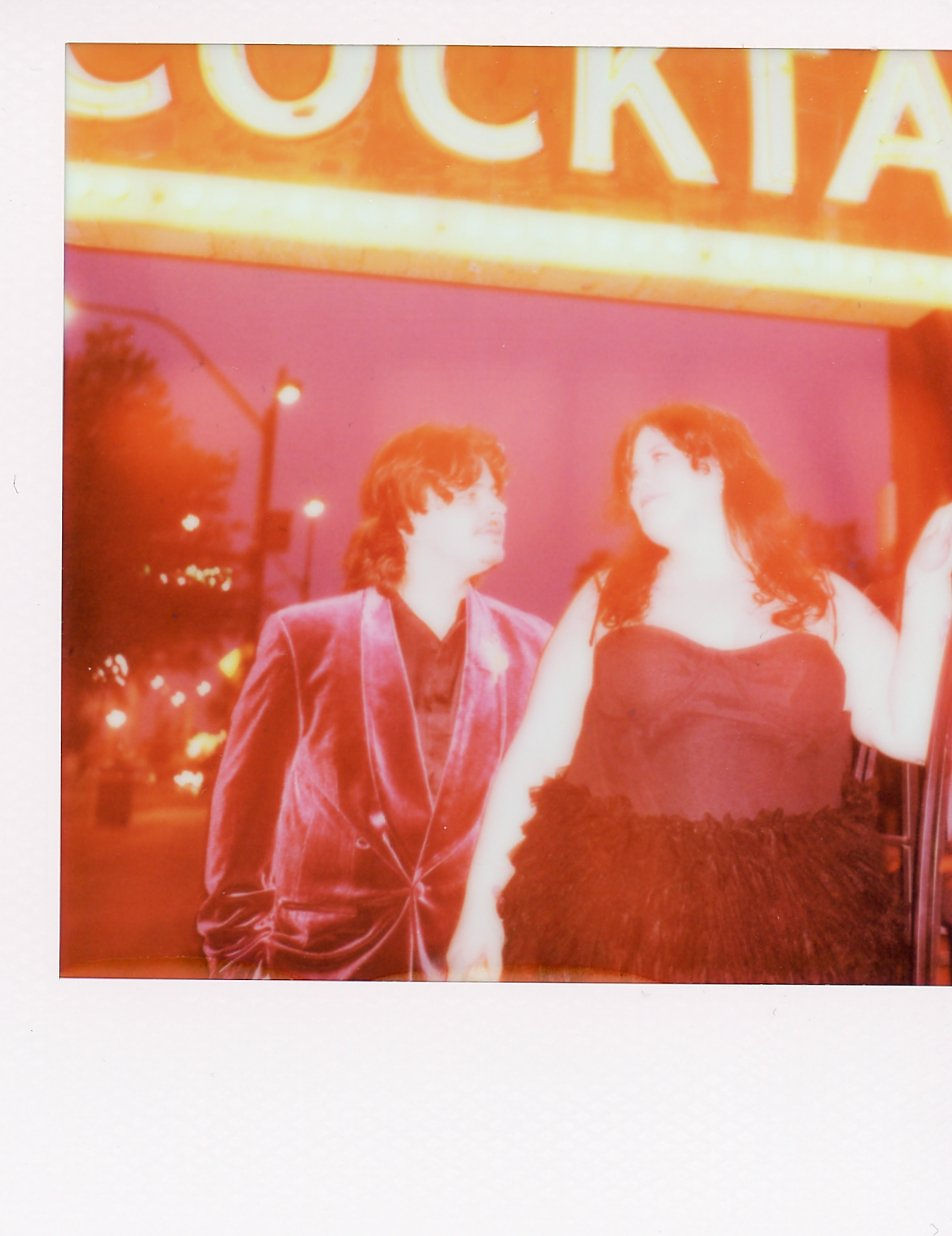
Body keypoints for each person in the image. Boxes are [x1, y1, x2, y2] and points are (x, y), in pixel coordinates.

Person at [448, 403, 952, 985]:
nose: (637, 480)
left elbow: (910, 734)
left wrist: (925, 589)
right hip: (616, 913)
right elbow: (535, 756)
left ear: (716, 465)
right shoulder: (607, 596)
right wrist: (479, 907)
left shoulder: (825, 598)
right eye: (631, 472)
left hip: (790, 924)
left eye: (657, 457)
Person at [198, 424, 551, 980]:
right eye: (469, 494)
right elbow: (245, 819)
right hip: (326, 966)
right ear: (407, 512)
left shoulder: (534, 646)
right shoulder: (306, 638)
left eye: (496, 492)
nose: (497, 507)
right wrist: (241, 967)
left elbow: (543, 819)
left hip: (471, 971)